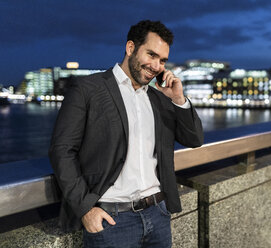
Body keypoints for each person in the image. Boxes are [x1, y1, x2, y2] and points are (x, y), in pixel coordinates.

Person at [49, 20, 203, 248]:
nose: (157, 66)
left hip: (158, 215)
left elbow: (194, 139)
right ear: (130, 48)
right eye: (151, 55)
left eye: (162, 60)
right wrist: (85, 209)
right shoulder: (88, 89)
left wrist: (178, 99)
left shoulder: (159, 98)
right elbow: (62, 151)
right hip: (112, 221)